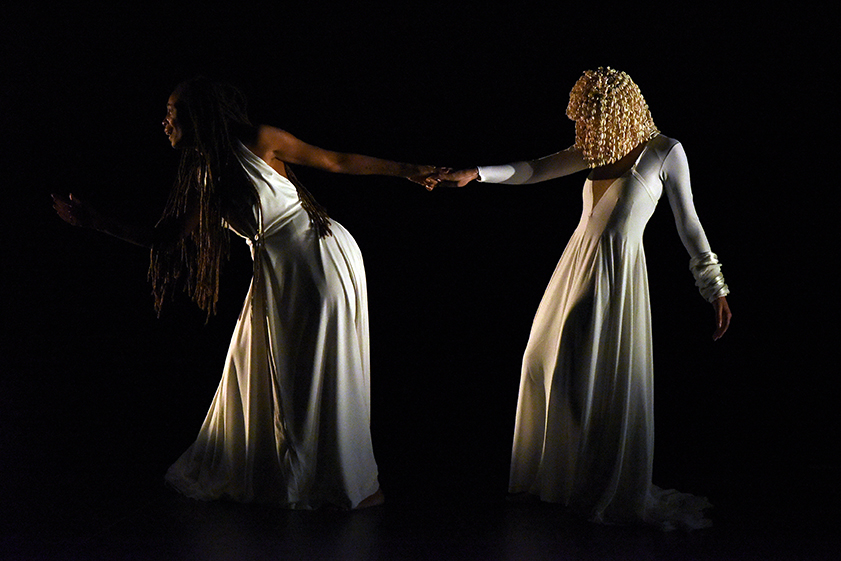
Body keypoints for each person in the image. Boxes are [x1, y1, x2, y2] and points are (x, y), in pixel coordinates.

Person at [52, 77, 441, 510]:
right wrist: (96, 223)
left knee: (318, 370)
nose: (164, 121)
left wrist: (409, 170)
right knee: (272, 369)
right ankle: (309, 477)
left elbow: (335, 160)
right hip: (280, 268)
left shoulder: (260, 140)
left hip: (315, 256)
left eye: (172, 111)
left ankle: (348, 483)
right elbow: (166, 238)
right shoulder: (205, 175)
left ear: (199, 114)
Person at [435, 67, 731, 529]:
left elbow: (688, 222)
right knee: (538, 359)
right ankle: (551, 479)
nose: (585, 128)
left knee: (586, 370)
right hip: (575, 265)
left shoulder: (664, 152)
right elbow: (535, 169)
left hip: (615, 274)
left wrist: (713, 286)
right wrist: (477, 173)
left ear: (618, 112)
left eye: (593, 118)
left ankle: (594, 483)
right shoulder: (597, 149)